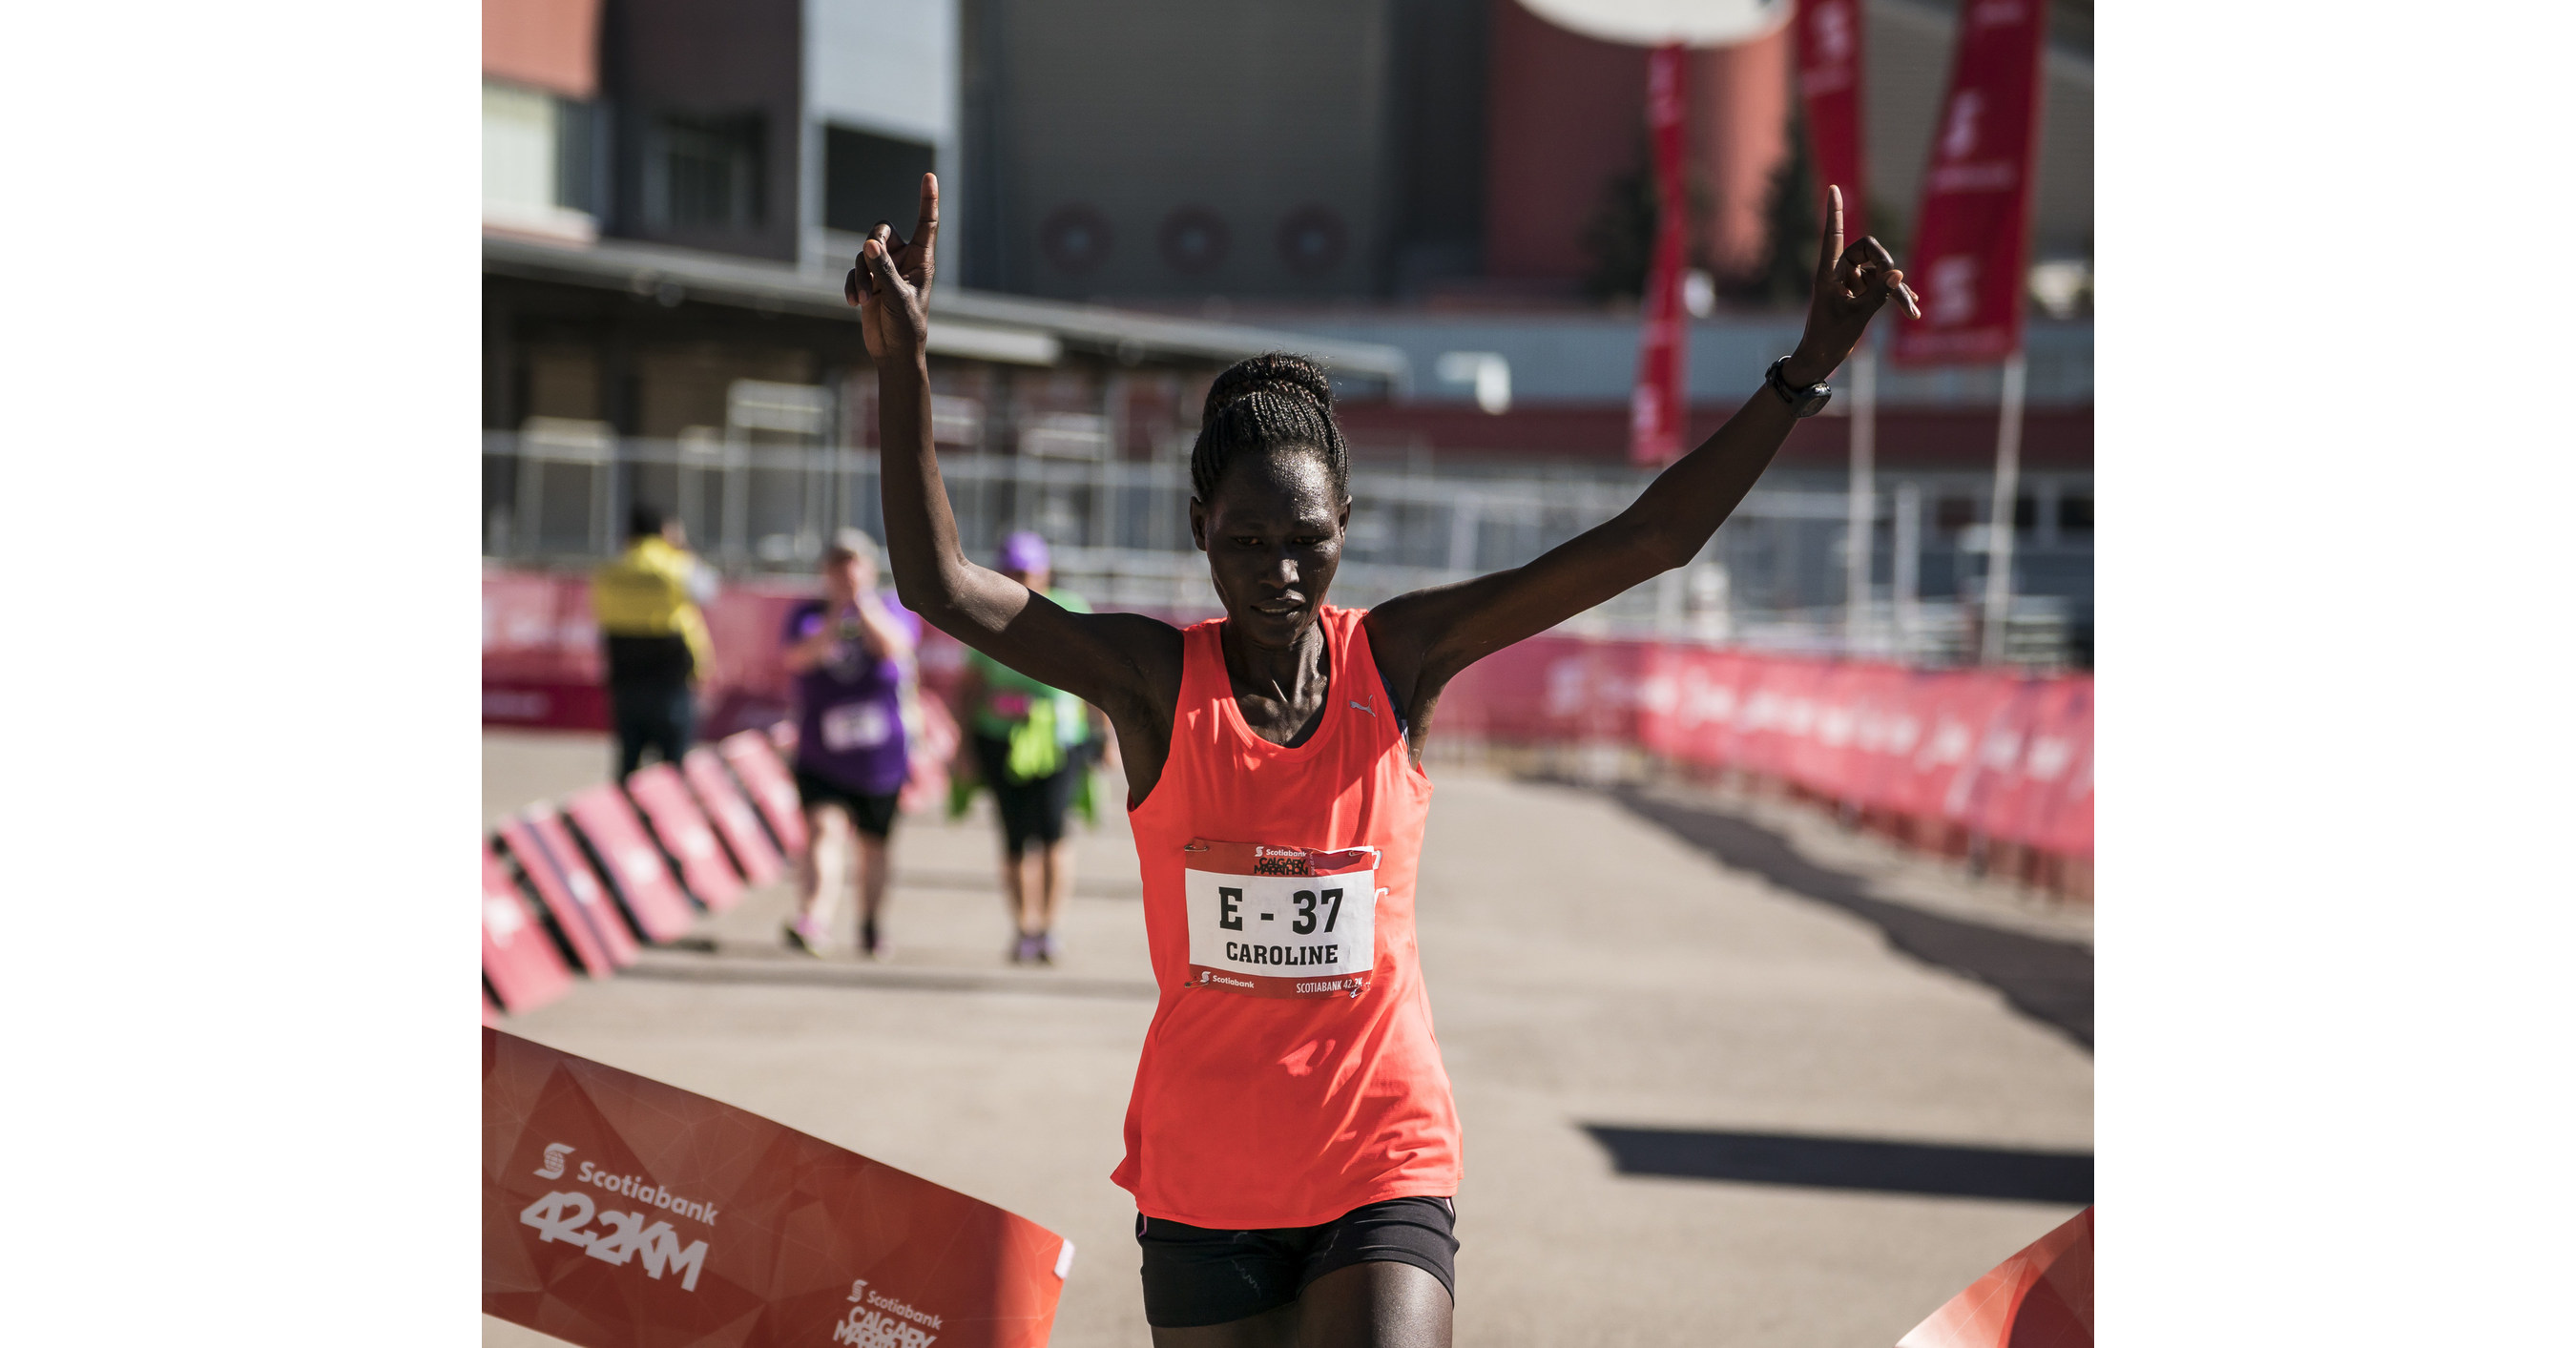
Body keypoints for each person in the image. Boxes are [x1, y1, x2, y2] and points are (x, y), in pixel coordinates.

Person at [852, 174, 1910, 1344]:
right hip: (1206, 1178)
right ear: (1197, 527)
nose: (1279, 573)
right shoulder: (1152, 682)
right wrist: (906, 363)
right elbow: (939, 585)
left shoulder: (1400, 661)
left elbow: (1650, 539)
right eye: (1245, 541)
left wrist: (1801, 371)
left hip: (1383, 1153)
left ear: (1347, 523)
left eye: (1307, 542)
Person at [951, 530, 1100, 964]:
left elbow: (1098, 678)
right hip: (999, 737)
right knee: (1015, 838)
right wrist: (962, 748)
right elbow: (970, 687)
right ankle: (1023, 927)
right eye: (1015, 571)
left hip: (1061, 739)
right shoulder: (983, 613)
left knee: (1053, 830)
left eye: (1030, 570)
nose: (1024, 578)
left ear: (1046, 570)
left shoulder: (1071, 609)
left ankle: (1050, 928)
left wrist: (1107, 734)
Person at [780, 529, 920, 957]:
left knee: (874, 846)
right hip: (823, 753)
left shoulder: (895, 610)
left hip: (881, 758)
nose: (847, 574)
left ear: (871, 569)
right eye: (838, 566)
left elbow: (893, 648)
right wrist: (836, 617)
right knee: (824, 829)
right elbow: (799, 658)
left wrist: (863, 608)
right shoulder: (808, 615)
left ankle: (871, 924)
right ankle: (814, 919)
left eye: (855, 564)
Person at [592, 503, 717, 778]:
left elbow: (600, 618)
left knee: (628, 766)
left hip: (626, 681)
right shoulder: (677, 566)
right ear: (664, 531)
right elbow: (709, 590)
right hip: (670, 682)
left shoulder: (610, 571)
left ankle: (624, 820)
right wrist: (682, 548)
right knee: (674, 770)